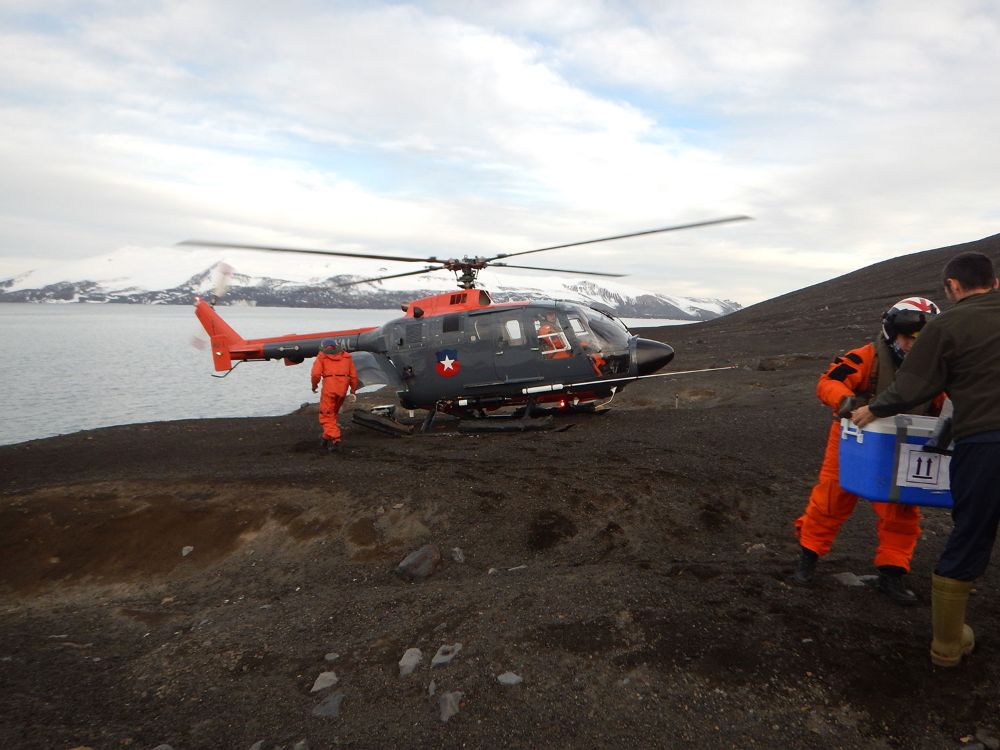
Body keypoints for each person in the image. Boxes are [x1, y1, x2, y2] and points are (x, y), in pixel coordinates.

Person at [852, 251, 1000, 666]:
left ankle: (947, 646)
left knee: (971, 533)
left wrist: (874, 409)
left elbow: (913, 384)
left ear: (953, 287)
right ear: (995, 281)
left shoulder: (947, 325)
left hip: (985, 443)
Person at [792, 296, 944, 605]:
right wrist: (847, 402)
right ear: (891, 332)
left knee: (900, 509)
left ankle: (892, 574)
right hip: (854, 437)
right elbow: (830, 381)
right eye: (908, 337)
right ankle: (807, 559)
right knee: (829, 500)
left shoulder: (938, 369)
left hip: (905, 441)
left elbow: (948, 402)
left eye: (921, 339)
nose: (913, 345)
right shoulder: (866, 357)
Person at [311, 338, 358, 452]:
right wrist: (352, 391)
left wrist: (314, 386)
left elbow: (316, 374)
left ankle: (336, 440)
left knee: (326, 415)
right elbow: (354, 376)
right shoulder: (346, 357)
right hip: (342, 390)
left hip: (329, 390)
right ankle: (325, 438)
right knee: (332, 414)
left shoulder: (322, 357)